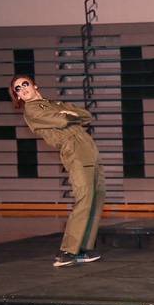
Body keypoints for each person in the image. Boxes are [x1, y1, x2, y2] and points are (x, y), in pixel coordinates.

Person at [10, 75, 105, 267]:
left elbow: (87, 115)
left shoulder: (52, 103)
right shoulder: (32, 109)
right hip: (74, 149)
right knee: (84, 197)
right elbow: (62, 121)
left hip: (87, 146)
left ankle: (83, 248)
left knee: (96, 197)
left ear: (35, 85)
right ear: (18, 96)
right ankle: (67, 250)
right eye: (18, 89)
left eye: (24, 84)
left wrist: (67, 113)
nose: (22, 89)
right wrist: (67, 114)